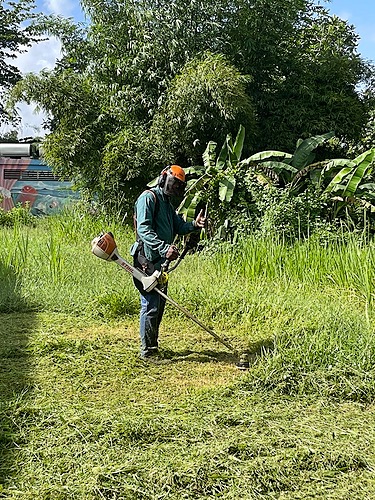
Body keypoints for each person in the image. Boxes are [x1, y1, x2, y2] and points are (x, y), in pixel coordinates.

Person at [131, 165, 206, 360]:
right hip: (146, 261)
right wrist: (165, 248)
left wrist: (194, 225)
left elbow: (179, 226)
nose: (174, 189)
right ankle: (147, 351)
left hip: (160, 264)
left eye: (178, 187)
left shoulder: (166, 204)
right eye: (173, 184)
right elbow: (144, 229)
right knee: (150, 305)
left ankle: (153, 347)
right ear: (163, 179)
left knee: (159, 305)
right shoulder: (149, 198)